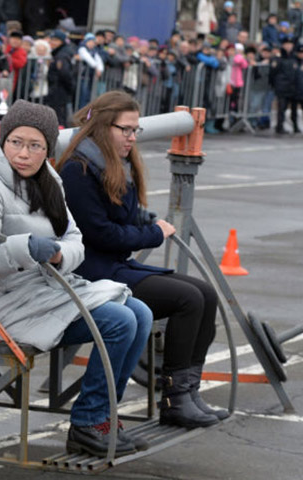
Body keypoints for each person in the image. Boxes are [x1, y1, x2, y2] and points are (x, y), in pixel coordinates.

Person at [0, 100, 153, 457]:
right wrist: (25, 248)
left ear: (47, 149)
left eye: (35, 146)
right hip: (9, 304)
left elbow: (74, 239)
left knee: (140, 313)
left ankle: (103, 415)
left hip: (47, 292)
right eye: (16, 142)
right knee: (120, 321)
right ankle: (88, 422)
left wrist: (61, 255)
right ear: (2, 141)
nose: (24, 153)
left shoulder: (49, 182)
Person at [57, 91, 227, 429]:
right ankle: (173, 399)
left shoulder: (113, 164)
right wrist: (154, 234)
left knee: (205, 293)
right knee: (188, 299)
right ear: (104, 127)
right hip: (93, 273)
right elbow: (101, 234)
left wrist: (144, 222)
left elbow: (122, 221)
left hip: (114, 266)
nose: (133, 137)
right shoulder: (79, 169)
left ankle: (187, 393)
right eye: (127, 130)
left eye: (136, 130)